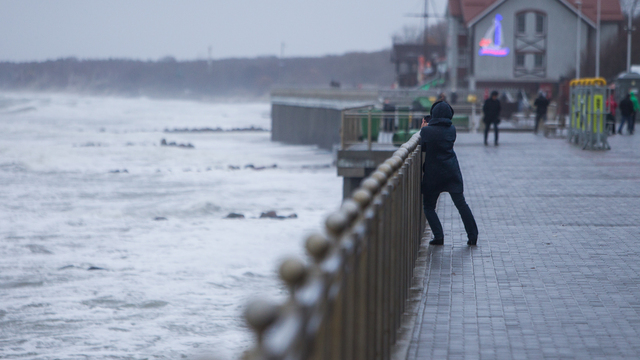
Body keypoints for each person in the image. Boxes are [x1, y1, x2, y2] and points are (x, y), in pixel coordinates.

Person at [420, 101, 479, 246]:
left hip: (433, 174)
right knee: (461, 204)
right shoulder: (452, 129)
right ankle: (473, 235)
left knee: (428, 206)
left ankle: (438, 236)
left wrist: (423, 128)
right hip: (451, 171)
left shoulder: (426, 131)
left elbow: (424, 148)